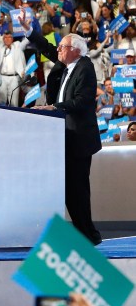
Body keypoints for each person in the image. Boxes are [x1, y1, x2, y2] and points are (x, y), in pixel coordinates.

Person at [22, 16, 102, 245]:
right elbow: (47, 47)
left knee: (78, 189)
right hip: (62, 137)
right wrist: (29, 30)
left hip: (78, 139)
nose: (57, 50)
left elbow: (83, 101)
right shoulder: (66, 64)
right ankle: (83, 234)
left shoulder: (85, 68)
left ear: (75, 50)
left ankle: (89, 235)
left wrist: (54, 107)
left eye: (62, 47)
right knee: (69, 189)